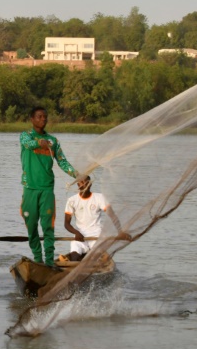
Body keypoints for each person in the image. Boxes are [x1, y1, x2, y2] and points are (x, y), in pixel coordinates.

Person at [20, 106, 80, 267]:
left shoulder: (53, 141)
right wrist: (40, 142)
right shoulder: (25, 136)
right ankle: (38, 259)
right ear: (32, 119)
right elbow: (29, 144)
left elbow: (62, 161)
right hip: (30, 188)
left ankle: (48, 262)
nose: (43, 120)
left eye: (45, 117)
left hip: (47, 189)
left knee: (48, 226)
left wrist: (78, 175)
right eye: (39, 117)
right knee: (31, 226)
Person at [62, 175, 129, 261]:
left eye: (85, 183)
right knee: (74, 256)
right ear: (77, 185)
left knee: (95, 257)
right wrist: (77, 233)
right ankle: (76, 266)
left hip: (96, 235)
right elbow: (66, 224)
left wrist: (120, 231)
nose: (83, 186)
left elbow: (112, 216)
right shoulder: (72, 200)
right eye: (80, 183)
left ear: (90, 184)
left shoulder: (99, 197)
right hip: (80, 236)